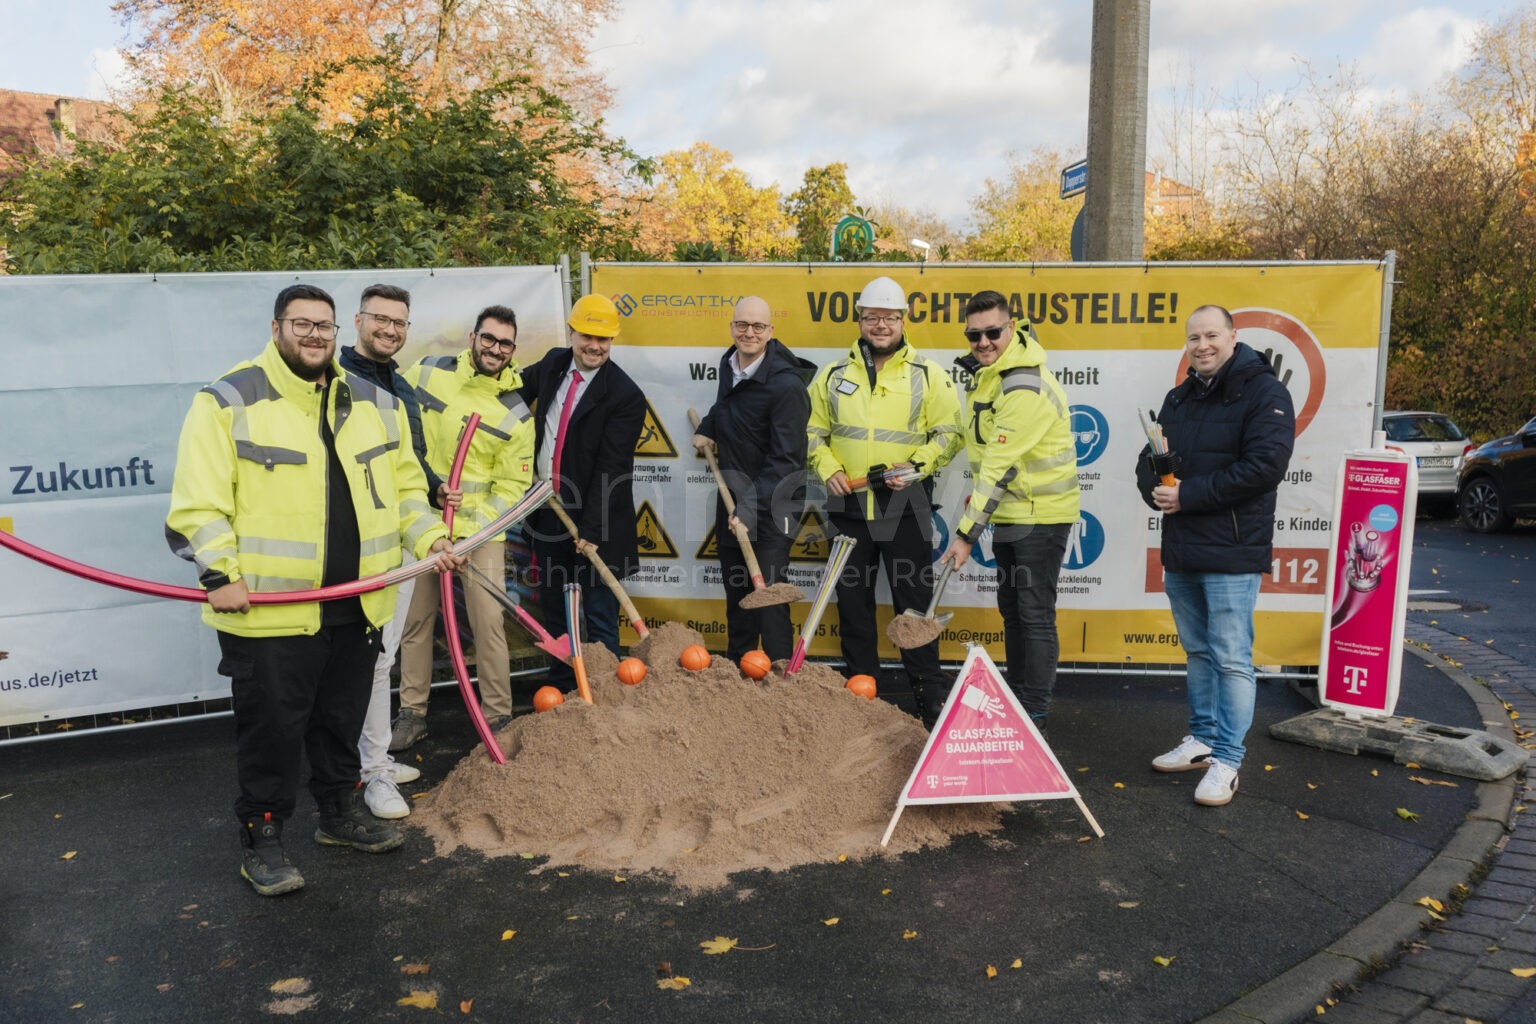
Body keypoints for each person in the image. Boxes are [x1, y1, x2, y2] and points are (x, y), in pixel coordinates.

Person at [166, 283, 459, 898]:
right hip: (272, 612)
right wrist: (219, 573)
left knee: (339, 721)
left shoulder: (377, 403)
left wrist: (430, 536)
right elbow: (199, 504)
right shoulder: (228, 400)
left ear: (337, 331)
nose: (314, 335)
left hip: (357, 602)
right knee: (271, 733)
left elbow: (407, 490)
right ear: (276, 329)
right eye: (301, 324)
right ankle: (264, 841)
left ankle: (338, 814)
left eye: (323, 325)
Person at [1136, 304, 1295, 807]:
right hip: (1184, 546)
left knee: (1230, 658)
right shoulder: (1180, 395)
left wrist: (1187, 495)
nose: (1201, 346)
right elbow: (1150, 458)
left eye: (1211, 336)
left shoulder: (1264, 391)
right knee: (1199, 651)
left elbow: (1265, 466)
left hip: (1232, 549)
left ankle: (1227, 759)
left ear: (1232, 336)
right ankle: (1202, 740)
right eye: (1193, 338)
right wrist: (1156, 490)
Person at [806, 275, 962, 726]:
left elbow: (951, 434)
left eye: (890, 317)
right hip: (849, 507)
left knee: (914, 607)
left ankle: (927, 693)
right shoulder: (832, 376)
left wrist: (917, 465)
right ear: (859, 319)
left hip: (905, 507)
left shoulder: (928, 374)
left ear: (903, 320)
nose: (881, 325)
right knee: (853, 605)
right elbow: (812, 432)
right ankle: (862, 693)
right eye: (873, 316)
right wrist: (829, 469)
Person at [389, 305, 536, 752]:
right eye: (488, 338)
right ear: (473, 337)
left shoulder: (516, 414)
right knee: (415, 621)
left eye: (505, 343)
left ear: (513, 349)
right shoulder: (427, 372)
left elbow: (511, 488)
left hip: (479, 534)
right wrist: (429, 525)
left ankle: (497, 717)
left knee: (488, 622)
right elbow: (399, 429)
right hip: (422, 523)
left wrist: (469, 536)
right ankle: (412, 714)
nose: (495, 349)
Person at [939, 291, 1079, 736]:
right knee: (1014, 611)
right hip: (1012, 513)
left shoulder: (1023, 386)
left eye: (992, 332)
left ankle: (1033, 713)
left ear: (1011, 328)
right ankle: (1018, 700)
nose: (983, 342)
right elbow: (971, 444)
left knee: (1033, 614)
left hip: (1042, 515)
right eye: (974, 334)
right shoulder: (990, 376)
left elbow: (998, 467)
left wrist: (965, 535)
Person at [338, 284, 454, 819]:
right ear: (358, 321)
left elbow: (406, 462)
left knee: (382, 656)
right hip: (357, 546)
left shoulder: (399, 386)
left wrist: (433, 487)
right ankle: (363, 770)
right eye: (380, 319)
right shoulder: (337, 380)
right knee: (360, 658)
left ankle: (374, 759)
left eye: (399, 322)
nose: (390, 329)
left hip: (400, 539)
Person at [518, 294, 647, 682]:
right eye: (587, 336)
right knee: (556, 609)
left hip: (596, 521)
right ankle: (562, 689)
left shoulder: (625, 395)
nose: (595, 346)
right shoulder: (552, 363)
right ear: (572, 332)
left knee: (599, 611)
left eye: (603, 339)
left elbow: (612, 468)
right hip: (548, 512)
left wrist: (592, 529)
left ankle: (606, 690)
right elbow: (511, 396)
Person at [692, 297, 815, 661]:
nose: (749, 333)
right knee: (739, 595)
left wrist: (748, 508)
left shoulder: (787, 386)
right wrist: (708, 426)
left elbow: (787, 461)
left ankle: (779, 675)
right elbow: (727, 404)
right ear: (732, 327)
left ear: (770, 331)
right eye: (742, 325)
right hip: (733, 497)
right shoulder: (729, 363)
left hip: (775, 504)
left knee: (770, 597)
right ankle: (738, 672)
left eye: (758, 326)